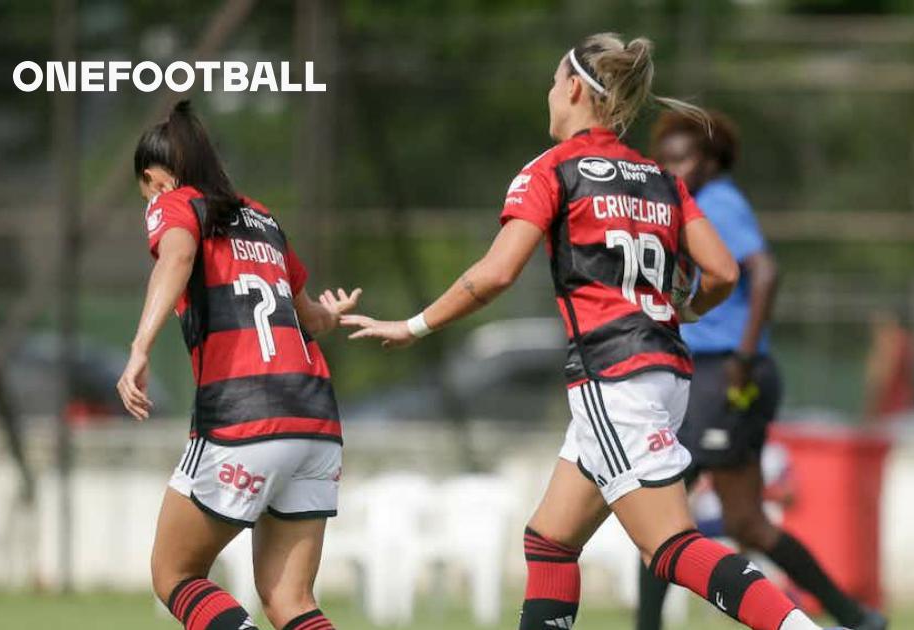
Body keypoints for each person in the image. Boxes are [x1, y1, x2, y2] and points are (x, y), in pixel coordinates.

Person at [344, 33, 837, 630]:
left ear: (574, 88)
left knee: (670, 547)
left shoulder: (552, 169)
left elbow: (497, 273)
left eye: (554, 84)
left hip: (613, 379)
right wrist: (684, 310)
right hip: (663, 371)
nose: (550, 95)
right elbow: (725, 271)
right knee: (550, 540)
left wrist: (414, 325)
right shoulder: (660, 178)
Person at [638, 110, 887, 630]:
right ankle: (856, 618)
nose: (671, 168)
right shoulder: (690, 204)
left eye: (682, 158)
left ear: (710, 161)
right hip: (712, 375)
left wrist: (743, 360)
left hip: (724, 374)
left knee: (660, 513)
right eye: (664, 160)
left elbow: (765, 271)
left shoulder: (718, 204)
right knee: (746, 522)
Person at [116, 101, 359, 630]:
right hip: (315, 421)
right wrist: (330, 314)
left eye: (146, 192)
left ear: (155, 178)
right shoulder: (262, 216)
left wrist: (139, 349)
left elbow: (178, 257)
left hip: (244, 416)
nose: (149, 207)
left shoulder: (175, 202)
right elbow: (308, 316)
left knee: (174, 574)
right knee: (291, 600)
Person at [864, 309, 914, 425]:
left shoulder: (889, 342)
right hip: (903, 410)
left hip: (891, 414)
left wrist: (870, 413)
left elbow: (881, 379)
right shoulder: (905, 340)